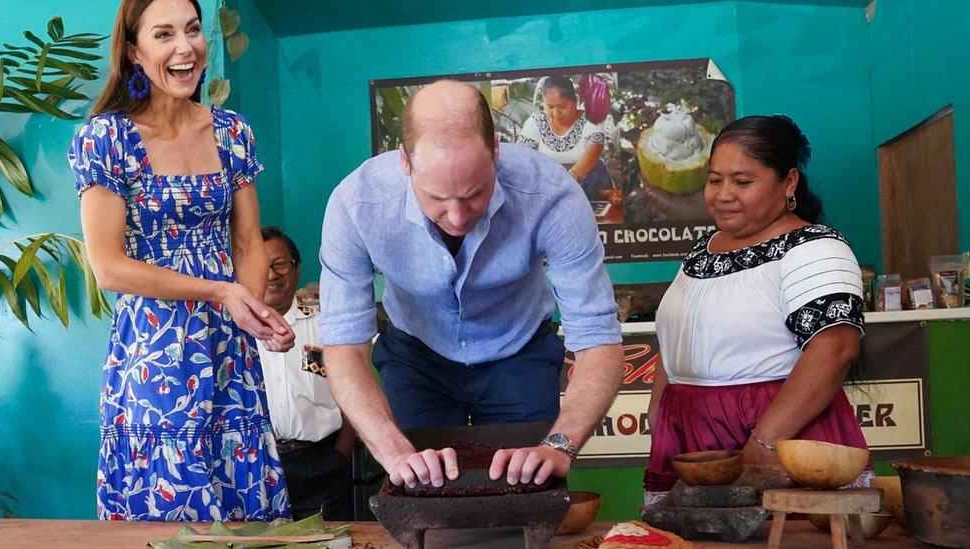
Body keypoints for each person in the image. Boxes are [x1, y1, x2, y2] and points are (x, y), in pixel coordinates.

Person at [319, 80, 624, 491]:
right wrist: (393, 452)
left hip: (519, 351)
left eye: (476, 193)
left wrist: (559, 445)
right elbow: (344, 347)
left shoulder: (552, 195)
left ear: (496, 150)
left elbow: (599, 342)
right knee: (420, 490)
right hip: (417, 355)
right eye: (437, 198)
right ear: (405, 162)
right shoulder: (356, 205)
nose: (458, 217)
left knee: (526, 490)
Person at [70, 0, 293, 521]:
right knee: (167, 502)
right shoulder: (107, 137)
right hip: (155, 352)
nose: (184, 47)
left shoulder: (232, 131)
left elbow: (247, 245)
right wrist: (222, 292)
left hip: (229, 347)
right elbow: (108, 267)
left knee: (242, 506)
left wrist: (255, 314)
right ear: (134, 51)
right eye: (163, 34)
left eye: (193, 30)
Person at [644, 115, 870, 502]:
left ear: (789, 183)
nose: (723, 194)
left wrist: (764, 445)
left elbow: (834, 351)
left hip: (780, 437)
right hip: (694, 441)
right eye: (715, 180)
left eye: (742, 181)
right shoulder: (703, 250)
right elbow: (678, 338)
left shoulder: (815, 248)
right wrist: (660, 411)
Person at [257, 226, 356, 520]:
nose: (272, 275)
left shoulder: (327, 324)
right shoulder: (234, 332)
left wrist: (340, 453)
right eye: (261, 267)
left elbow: (353, 388)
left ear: (297, 269)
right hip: (257, 466)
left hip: (321, 464)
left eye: (280, 264)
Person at [517, 76, 613, 200]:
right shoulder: (535, 122)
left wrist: (569, 180)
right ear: (543, 101)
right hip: (546, 189)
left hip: (589, 188)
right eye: (550, 107)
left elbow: (595, 149)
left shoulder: (589, 121)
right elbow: (522, 155)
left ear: (575, 101)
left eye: (562, 107)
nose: (556, 113)